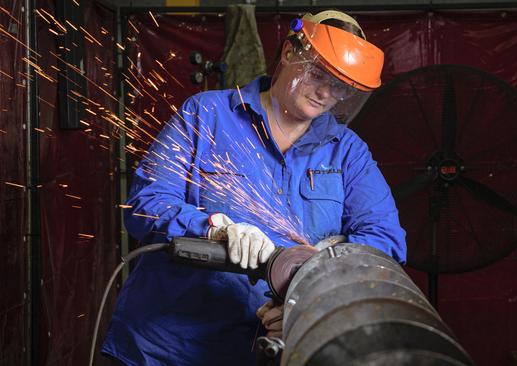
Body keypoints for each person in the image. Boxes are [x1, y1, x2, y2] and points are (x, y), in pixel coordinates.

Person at [101, 10, 406, 366]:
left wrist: (307, 287)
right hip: (167, 348)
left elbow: (386, 241)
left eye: (340, 86)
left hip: (272, 349)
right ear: (291, 53)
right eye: (318, 74)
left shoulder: (346, 150)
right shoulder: (206, 115)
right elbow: (144, 205)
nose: (326, 93)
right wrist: (215, 229)